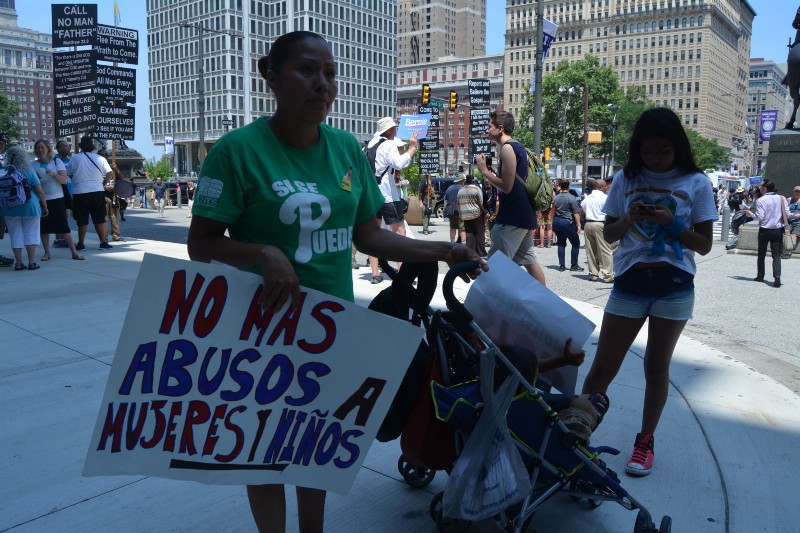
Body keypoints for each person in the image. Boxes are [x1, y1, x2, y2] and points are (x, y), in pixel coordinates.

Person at [185, 31, 487, 533]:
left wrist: (446, 249)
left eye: (329, 73)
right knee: (263, 451)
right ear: (272, 77)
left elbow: (370, 235)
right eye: (307, 71)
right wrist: (263, 252)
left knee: (314, 446)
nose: (322, 84)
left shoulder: (348, 149)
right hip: (260, 333)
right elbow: (203, 245)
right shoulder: (236, 151)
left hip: (330, 331)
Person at [580, 108, 717, 477]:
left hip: (673, 287)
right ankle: (577, 436)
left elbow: (703, 245)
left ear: (678, 148)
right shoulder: (626, 178)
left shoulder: (696, 182)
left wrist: (672, 223)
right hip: (630, 283)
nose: (655, 158)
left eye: (663, 151)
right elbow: (609, 235)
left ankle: (645, 442)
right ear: (637, 149)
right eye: (647, 151)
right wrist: (629, 219)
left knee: (656, 368)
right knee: (602, 369)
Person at [475, 110, 546, 285]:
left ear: (500, 128)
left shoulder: (508, 148)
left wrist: (484, 171)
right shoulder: (516, 147)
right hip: (523, 214)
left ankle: (491, 305)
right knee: (530, 261)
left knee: (495, 265)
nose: (486, 130)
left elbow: (506, 186)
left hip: (512, 217)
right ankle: (543, 301)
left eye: (489, 126)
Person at [366, 117, 418, 284]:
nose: (396, 131)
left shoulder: (368, 146)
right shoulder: (388, 145)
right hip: (387, 196)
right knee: (400, 234)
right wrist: (411, 148)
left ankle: (375, 273)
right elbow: (399, 163)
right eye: (394, 129)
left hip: (371, 195)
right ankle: (402, 274)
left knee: (373, 234)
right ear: (388, 131)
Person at [33, 139, 83, 261]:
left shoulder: (56, 162)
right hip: (42, 200)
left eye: (42, 147)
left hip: (57, 199)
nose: (40, 150)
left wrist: (53, 174)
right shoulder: (32, 164)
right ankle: (47, 253)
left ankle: (74, 252)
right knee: (44, 228)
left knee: (63, 226)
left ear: (48, 149)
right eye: (38, 148)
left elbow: (64, 180)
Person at [0, 146, 48, 270]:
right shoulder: (28, 170)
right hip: (29, 206)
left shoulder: (3, 171)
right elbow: (39, 191)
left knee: (15, 235)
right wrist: (45, 206)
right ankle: (32, 263)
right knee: (31, 234)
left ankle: (19, 263)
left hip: (9, 208)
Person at [68, 136, 113, 250]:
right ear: (92, 147)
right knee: (99, 218)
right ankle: (103, 242)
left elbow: (70, 174)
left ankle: (81, 243)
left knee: (82, 219)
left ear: (81, 146)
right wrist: (103, 183)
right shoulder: (100, 158)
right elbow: (110, 173)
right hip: (97, 190)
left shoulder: (75, 158)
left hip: (80, 191)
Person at [747, 180, 791, 288]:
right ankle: (777, 276)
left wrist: (751, 214)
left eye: (761, 186)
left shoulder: (761, 200)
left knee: (761, 253)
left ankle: (760, 275)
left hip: (764, 230)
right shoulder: (781, 198)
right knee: (776, 254)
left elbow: (760, 217)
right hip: (777, 229)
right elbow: (788, 214)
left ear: (765, 188)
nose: (760, 188)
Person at [581, 179, 613, 282]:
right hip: (600, 223)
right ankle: (608, 275)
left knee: (590, 250)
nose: (606, 187)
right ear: (600, 187)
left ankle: (593, 274)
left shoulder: (588, 198)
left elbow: (583, 209)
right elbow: (610, 213)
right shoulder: (605, 198)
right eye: (605, 186)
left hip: (588, 223)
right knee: (605, 250)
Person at [552, 178, 583, 272]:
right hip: (567, 222)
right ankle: (574, 265)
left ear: (560, 186)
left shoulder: (556, 198)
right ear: (569, 186)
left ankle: (562, 265)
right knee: (575, 243)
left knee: (561, 243)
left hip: (556, 221)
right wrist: (579, 225)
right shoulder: (571, 198)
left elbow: (552, 210)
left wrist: (551, 222)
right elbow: (576, 213)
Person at [457, 173, 486, 257]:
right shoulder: (476, 189)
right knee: (479, 233)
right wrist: (484, 212)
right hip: (476, 214)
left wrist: (461, 215)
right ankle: (481, 252)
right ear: (473, 181)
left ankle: (470, 252)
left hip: (465, 215)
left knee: (469, 234)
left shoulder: (461, 190)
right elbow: (481, 202)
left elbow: (458, 203)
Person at [53, 140, 73, 248]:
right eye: (65, 146)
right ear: (59, 149)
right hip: (60, 193)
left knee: (65, 217)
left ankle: (61, 239)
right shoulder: (55, 161)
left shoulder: (71, 160)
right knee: (61, 217)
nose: (68, 148)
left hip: (70, 192)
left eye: (68, 146)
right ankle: (58, 239)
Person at [443, 177, 466, 243]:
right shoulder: (462, 188)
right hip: (459, 209)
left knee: (453, 227)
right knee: (462, 228)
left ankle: (452, 243)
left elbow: (446, 200)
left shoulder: (449, 188)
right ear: (461, 180)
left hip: (451, 210)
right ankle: (463, 244)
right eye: (464, 180)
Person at [104, 170, 122, 242]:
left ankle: (116, 235)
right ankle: (104, 236)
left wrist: (117, 169)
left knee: (115, 217)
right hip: (105, 197)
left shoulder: (115, 174)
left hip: (114, 197)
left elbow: (122, 179)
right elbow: (98, 184)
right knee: (104, 218)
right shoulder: (102, 173)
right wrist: (105, 187)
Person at [786, 185, 800, 250]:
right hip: (789, 221)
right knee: (787, 233)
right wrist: (789, 214)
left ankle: (789, 249)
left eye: (798, 192)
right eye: (796, 191)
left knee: (794, 235)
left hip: (798, 222)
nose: (797, 193)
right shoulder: (789, 200)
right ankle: (786, 248)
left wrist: (799, 215)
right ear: (793, 192)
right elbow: (784, 209)